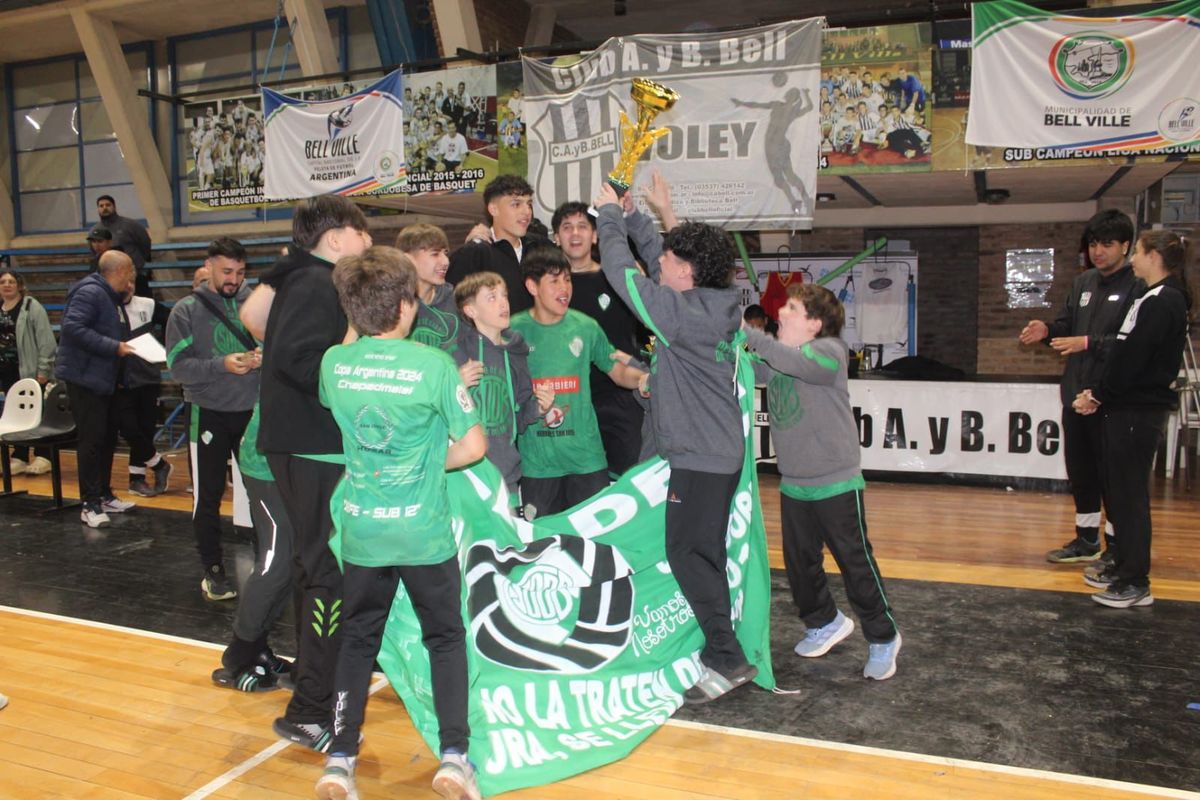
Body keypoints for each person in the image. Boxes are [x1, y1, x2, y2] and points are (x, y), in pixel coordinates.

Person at [316, 246, 486, 800]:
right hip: (423, 531)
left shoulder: (334, 364)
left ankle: (340, 759)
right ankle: (454, 758)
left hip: (364, 532)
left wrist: (355, 315)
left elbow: (349, 355)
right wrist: (421, 462)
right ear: (409, 305)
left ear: (352, 307)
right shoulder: (433, 365)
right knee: (444, 638)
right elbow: (474, 446)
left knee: (357, 640)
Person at [594, 180, 755, 704]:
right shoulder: (707, 304)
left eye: (668, 258)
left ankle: (726, 658)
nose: (659, 261)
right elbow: (656, 259)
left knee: (688, 553)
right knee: (698, 552)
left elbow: (624, 275)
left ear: (686, 272)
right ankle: (720, 649)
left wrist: (608, 220)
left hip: (702, 456)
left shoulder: (684, 316)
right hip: (708, 451)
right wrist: (637, 215)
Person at [253, 195, 372, 752]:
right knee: (328, 574)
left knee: (314, 570)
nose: (368, 242)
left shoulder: (301, 276)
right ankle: (312, 708)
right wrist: (350, 351)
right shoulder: (314, 283)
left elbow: (258, 324)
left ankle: (311, 691)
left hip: (306, 445)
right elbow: (301, 363)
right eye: (361, 232)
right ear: (335, 239)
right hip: (312, 447)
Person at [745, 282, 901, 679]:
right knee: (800, 563)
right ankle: (824, 622)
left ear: (814, 323)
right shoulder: (782, 359)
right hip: (795, 481)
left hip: (835, 481)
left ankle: (883, 636)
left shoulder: (829, 352)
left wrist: (742, 329)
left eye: (792, 308)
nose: (781, 312)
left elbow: (787, 360)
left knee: (854, 561)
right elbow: (751, 368)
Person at [1072, 230, 1192, 608]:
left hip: (1136, 409)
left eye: (1138, 252)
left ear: (1154, 255)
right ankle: (1123, 566)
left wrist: (1098, 394)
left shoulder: (1164, 300)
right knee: (1120, 495)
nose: (1133, 259)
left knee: (1129, 497)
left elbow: (1133, 359)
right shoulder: (1152, 296)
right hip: (1126, 407)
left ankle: (1134, 580)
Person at [1019, 210, 1139, 567]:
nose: (1098, 251)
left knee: (1112, 478)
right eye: (1092, 244)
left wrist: (1087, 342)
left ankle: (1116, 547)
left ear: (1126, 247)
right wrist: (1047, 331)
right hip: (1075, 395)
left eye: (1107, 244)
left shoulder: (1137, 285)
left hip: (1112, 399)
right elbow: (1066, 327)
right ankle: (1086, 540)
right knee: (1082, 474)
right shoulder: (1083, 283)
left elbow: (1130, 343)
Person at [510, 246, 645, 516]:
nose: (565, 288)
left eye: (567, 279)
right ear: (532, 286)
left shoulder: (586, 326)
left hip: (587, 459)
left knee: (592, 543)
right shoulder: (513, 332)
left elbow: (616, 371)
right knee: (543, 544)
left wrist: (645, 379)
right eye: (554, 280)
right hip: (538, 465)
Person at [165, 237, 260, 601]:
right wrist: (221, 365)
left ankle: (270, 560)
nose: (233, 279)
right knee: (208, 496)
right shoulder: (186, 310)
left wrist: (264, 357)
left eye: (239, 271)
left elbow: (282, 348)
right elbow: (178, 368)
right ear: (208, 267)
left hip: (252, 411)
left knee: (261, 490)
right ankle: (214, 571)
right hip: (208, 413)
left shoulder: (257, 302)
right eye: (226, 271)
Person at [555, 200, 650, 477]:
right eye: (567, 227)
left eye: (583, 227)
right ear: (556, 237)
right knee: (581, 484)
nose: (575, 234)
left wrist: (640, 280)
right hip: (571, 399)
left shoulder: (618, 277)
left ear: (596, 235)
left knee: (627, 479)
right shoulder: (548, 289)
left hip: (620, 395)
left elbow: (651, 317)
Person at [210, 401, 295, 692]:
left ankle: (257, 645)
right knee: (277, 561)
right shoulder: (292, 355)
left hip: (299, 461)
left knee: (294, 562)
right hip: (268, 463)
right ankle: (239, 652)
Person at [454, 271, 554, 510]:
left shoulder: (517, 354)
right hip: (465, 478)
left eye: (504, 296)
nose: (503, 303)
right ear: (471, 311)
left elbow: (517, 419)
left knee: (507, 544)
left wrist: (538, 408)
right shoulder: (455, 354)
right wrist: (455, 385)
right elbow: (435, 413)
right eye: (491, 297)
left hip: (506, 476)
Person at [54, 250, 138, 528]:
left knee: (106, 438)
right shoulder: (90, 292)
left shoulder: (110, 297)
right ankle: (89, 503)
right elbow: (72, 328)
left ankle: (102, 494)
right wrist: (113, 347)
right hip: (85, 378)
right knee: (91, 441)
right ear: (120, 271)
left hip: (104, 378)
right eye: (130, 271)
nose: (132, 277)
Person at [446, 175, 535, 314]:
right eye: (516, 204)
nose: (527, 211)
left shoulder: (541, 248)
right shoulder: (473, 255)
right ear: (493, 209)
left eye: (529, 204)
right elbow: (453, 308)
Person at [117, 283, 172, 497]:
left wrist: (162, 347)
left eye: (131, 281)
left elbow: (172, 321)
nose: (128, 285)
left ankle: (136, 479)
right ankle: (159, 465)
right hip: (121, 380)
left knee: (145, 429)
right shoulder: (107, 307)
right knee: (128, 429)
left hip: (147, 377)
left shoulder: (148, 305)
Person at [0, 269, 57, 476]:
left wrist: (43, 369)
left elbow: (46, 341)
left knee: (38, 413)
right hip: (7, 371)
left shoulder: (31, 307)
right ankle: (20, 455)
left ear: (19, 285)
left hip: (30, 371)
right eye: (3, 281)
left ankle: (44, 455)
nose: (7, 285)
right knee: (15, 413)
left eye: (11, 281)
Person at [396, 224, 459, 353]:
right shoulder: (389, 304)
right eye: (435, 254)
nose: (446, 261)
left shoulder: (457, 301)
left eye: (445, 253)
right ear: (407, 259)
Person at [95, 195, 153, 297]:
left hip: (135, 275)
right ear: (98, 209)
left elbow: (145, 244)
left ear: (114, 207)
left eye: (108, 205)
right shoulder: (95, 230)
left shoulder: (131, 225)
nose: (104, 208)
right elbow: (94, 251)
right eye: (101, 206)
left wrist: (137, 263)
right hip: (110, 278)